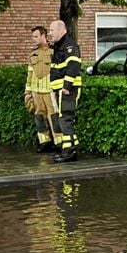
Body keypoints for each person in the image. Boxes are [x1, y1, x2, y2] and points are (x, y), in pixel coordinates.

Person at [47, 19, 82, 163]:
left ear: (62, 31)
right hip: (59, 89)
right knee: (62, 118)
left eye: (52, 30)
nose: (50, 33)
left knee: (65, 118)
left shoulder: (69, 47)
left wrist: (67, 86)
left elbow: (73, 66)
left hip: (67, 89)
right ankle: (70, 148)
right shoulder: (59, 47)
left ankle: (69, 152)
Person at [25, 25, 57, 152]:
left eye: (36, 36)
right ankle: (44, 142)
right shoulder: (33, 54)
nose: (34, 39)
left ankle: (59, 143)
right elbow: (29, 74)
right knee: (39, 117)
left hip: (49, 90)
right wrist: (27, 91)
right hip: (35, 91)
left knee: (53, 116)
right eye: (33, 37)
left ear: (44, 35)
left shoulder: (54, 51)